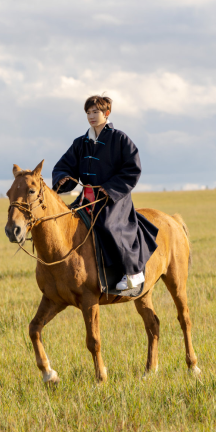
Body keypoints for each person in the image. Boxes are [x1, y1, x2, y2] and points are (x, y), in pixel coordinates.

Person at [52, 95, 158, 291]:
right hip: (86, 198)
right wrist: (63, 177)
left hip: (114, 199)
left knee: (109, 225)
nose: (91, 116)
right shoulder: (80, 143)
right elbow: (64, 165)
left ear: (106, 113)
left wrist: (109, 188)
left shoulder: (120, 139)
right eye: (88, 113)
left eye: (95, 112)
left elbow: (132, 169)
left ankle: (132, 273)